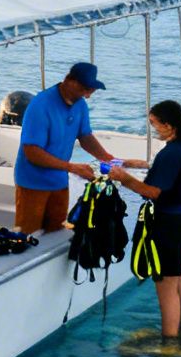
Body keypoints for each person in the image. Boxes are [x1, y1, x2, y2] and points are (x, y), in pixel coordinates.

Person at [108, 100, 181, 338]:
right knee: (178, 280)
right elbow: (173, 175)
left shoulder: (170, 153)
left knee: (165, 289)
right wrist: (145, 165)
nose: (154, 129)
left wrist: (123, 178)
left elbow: (153, 192)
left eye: (154, 124)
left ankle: (169, 343)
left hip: (168, 226)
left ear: (168, 125)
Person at [13, 62, 132, 234]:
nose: (87, 95)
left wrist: (107, 158)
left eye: (90, 90)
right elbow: (32, 152)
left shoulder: (80, 105)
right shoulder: (40, 105)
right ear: (68, 80)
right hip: (33, 183)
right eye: (83, 88)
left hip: (59, 182)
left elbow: (85, 136)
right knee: (27, 236)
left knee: (56, 232)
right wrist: (72, 167)